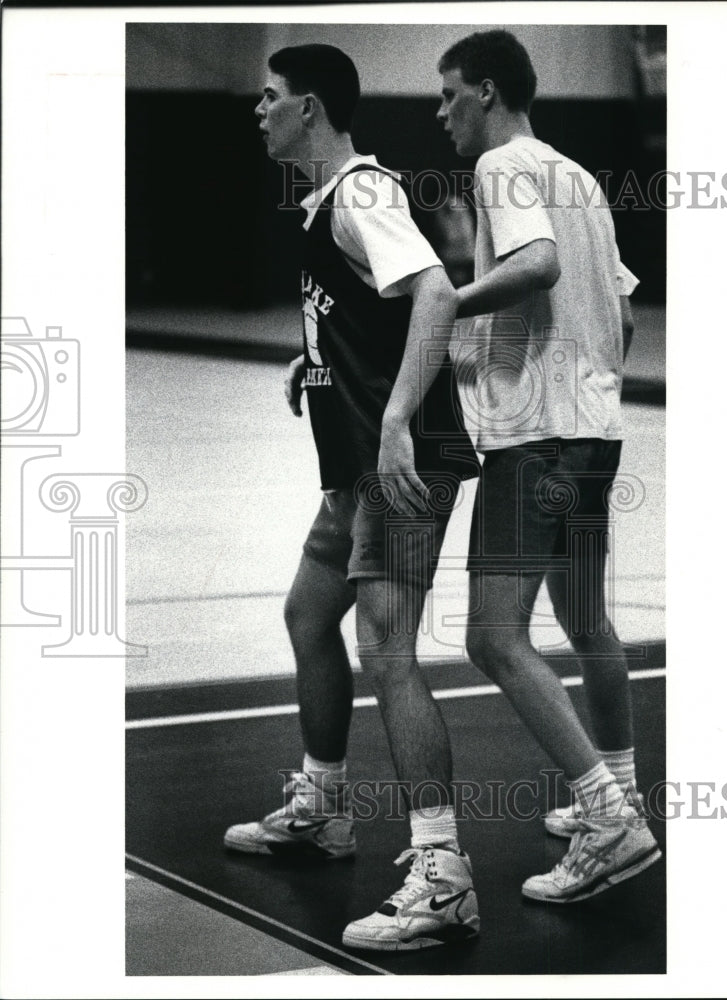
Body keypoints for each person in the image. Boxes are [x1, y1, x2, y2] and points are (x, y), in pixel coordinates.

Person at [224, 44, 480, 950]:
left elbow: (436, 293)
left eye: (272, 97)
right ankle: (323, 809)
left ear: (313, 110)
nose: (259, 110)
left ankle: (444, 877)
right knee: (307, 614)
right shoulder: (328, 201)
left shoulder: (364, 193)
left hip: (403, 461)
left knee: (389, 650)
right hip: (357, 467)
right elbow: (371, 309)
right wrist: (320, 356)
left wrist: (400, 419)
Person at [436, 29, 661, 902]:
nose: (440, 111)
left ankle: (608, 819)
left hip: (536, 438)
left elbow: (537, 265)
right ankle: (621, 784)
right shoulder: (579, 175)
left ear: (486, 93)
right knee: (588, 622)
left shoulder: (501, 168)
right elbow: (623, 314)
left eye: (449, 93)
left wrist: (447, 310)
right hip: (596, 428)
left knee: (492, 635)